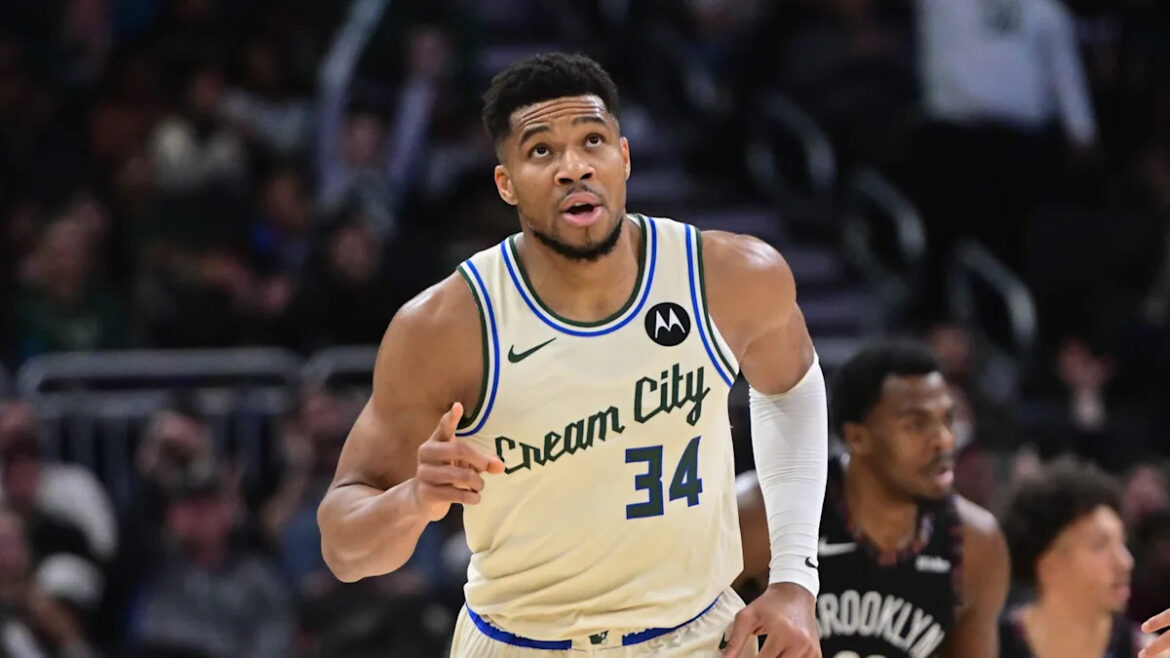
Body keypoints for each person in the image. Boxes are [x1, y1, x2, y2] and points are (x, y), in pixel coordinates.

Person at [317, 52, 829, 657]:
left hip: (695, 633)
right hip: (522, 642)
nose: (573, 168)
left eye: (593, 142)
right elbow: (344, 548)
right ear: (506, 183)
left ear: (624, 158)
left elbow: (792, 389)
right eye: (541, 151)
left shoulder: (728, 275)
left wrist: (795, 577)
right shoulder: (446, 326)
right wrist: (414, 501)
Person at [737, 342, 1010, 657]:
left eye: (948, 420)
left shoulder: (975, 543)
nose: (943, 440)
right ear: (857, 437)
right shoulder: (766, 511)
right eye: (916, 424)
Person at [999, 457, 1142, 658]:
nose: (1125, 562)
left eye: (1122, 543)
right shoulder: (985, 647)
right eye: (1099, 546)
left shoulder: (1148, 651)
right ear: (1048, 566)